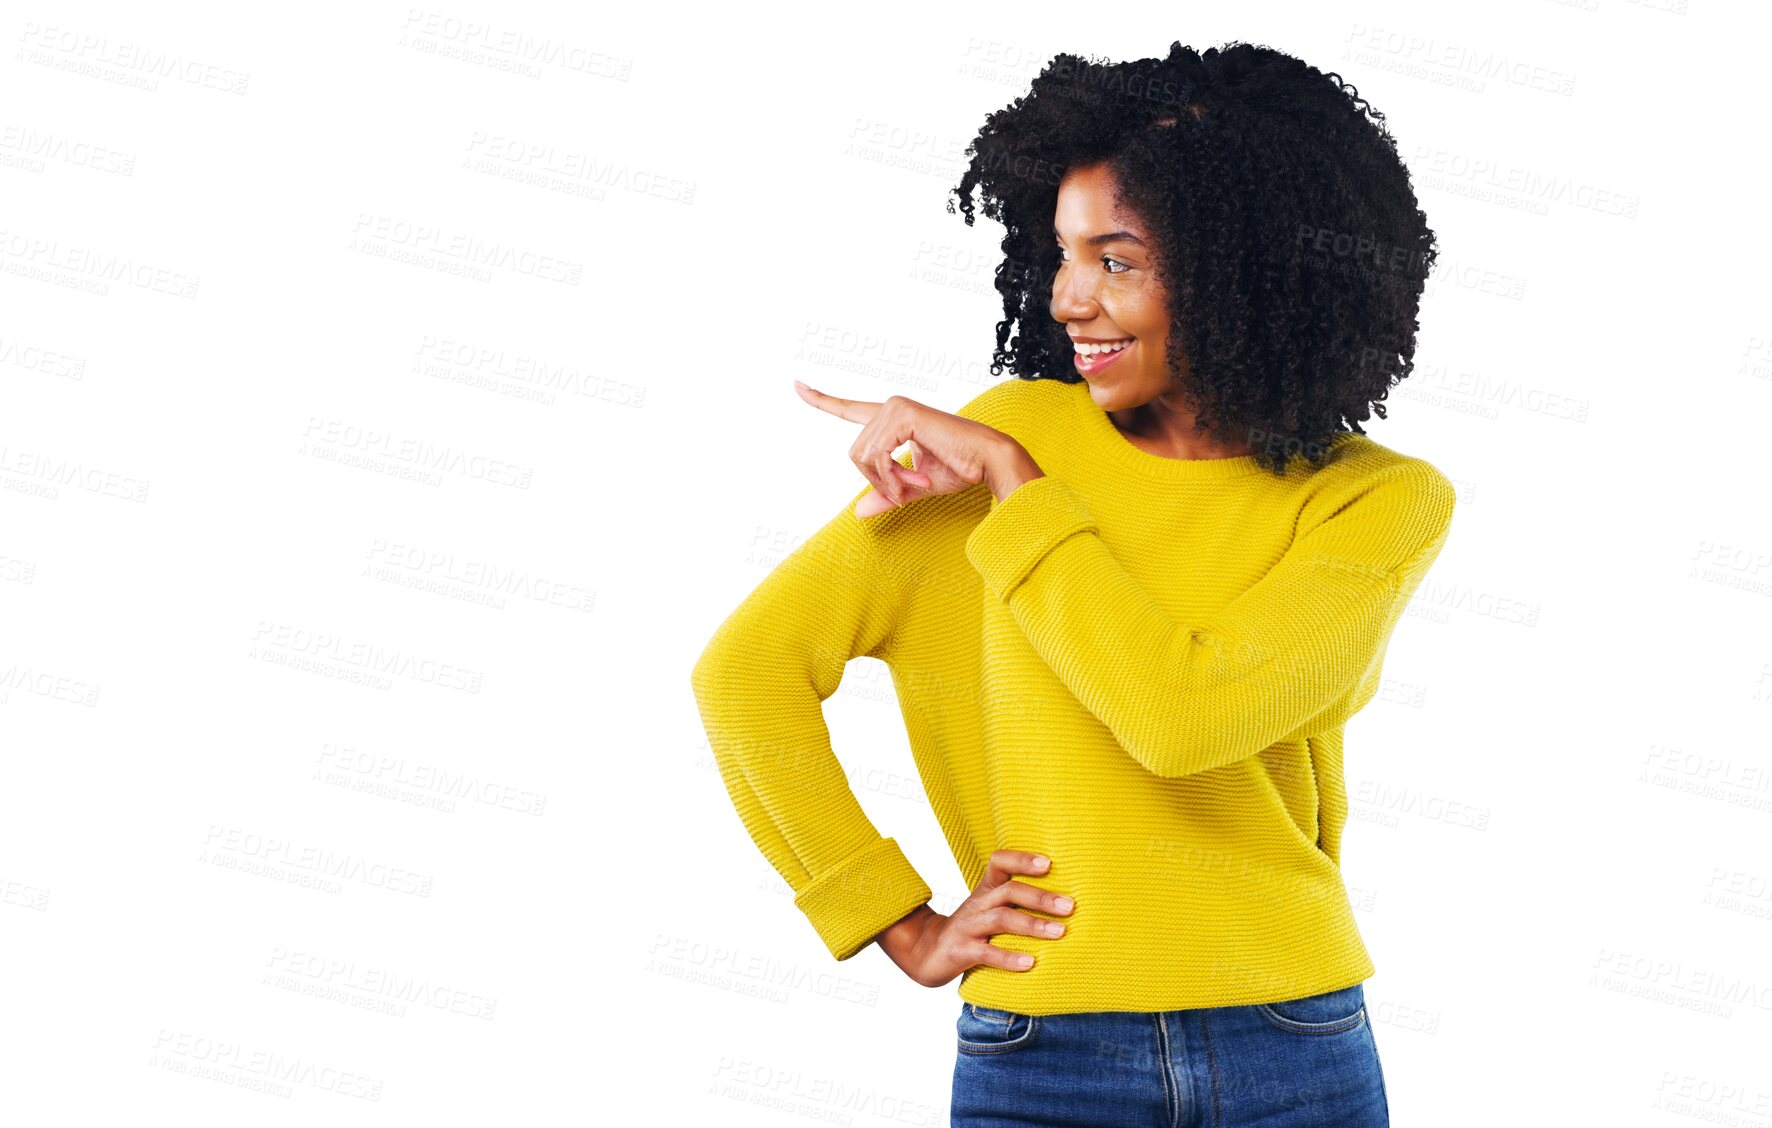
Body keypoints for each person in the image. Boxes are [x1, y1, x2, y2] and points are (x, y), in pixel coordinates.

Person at [690, 40, 1454, 1127]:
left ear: (1245, 265)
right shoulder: (998, 435)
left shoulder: (1371, 501)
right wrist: (890, 917)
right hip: (1041, 1045)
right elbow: (747, 673)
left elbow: (1184, 718)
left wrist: (1018, 487)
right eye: (1060, 254)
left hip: (1292, 1039)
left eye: (1117, 260)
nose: (1065, 300)